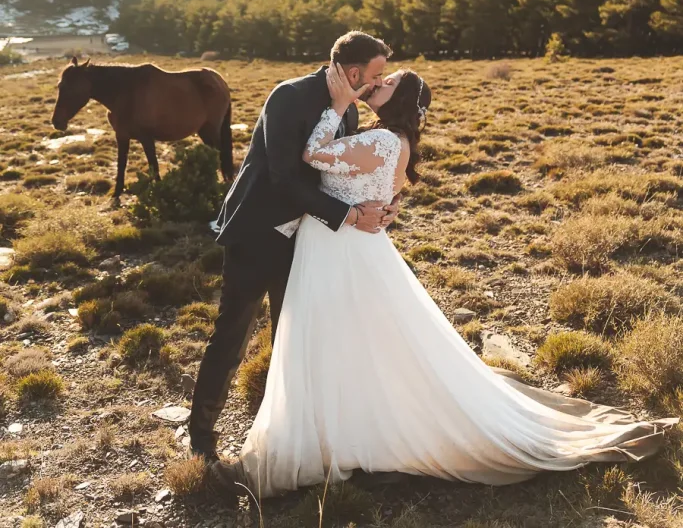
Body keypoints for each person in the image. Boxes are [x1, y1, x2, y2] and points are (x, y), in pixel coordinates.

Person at [214, 65, 675, 498]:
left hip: (340, 250)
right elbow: (384, 191)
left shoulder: (379, 138)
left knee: (333, 338)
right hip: (344, 245)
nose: (381, 81)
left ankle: (333, 434)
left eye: (389, 79)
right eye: (381, 73)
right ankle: (338, 427)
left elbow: (314, 156)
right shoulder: (388, 139)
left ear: (400, 98)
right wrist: (385, 204)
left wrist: (334, 107)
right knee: (350, 339)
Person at [188, 31, 397, 465]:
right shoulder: (288, 96)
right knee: (233, 336)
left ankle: (290, 435)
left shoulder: (350, 113)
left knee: (295, 337)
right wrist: (350, 217)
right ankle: (201, 439)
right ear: (354, 73)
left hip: (306, 241)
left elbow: (334, 175)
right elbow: (285, 176)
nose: (378, 84)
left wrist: (377, 205)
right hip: (257, 233)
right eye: (376, 76)